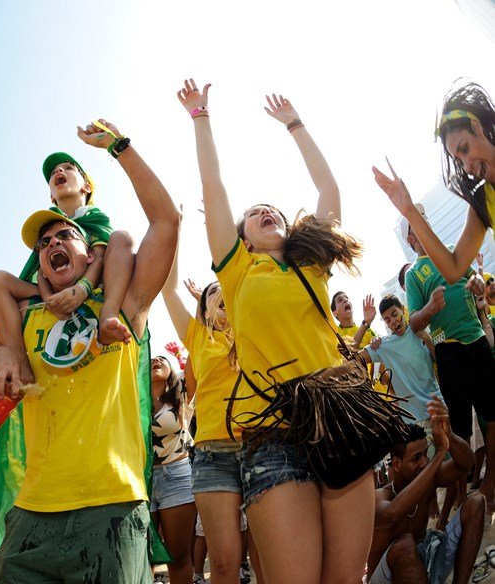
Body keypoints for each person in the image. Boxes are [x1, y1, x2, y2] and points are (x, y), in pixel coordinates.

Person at [181, 78, 401, 583]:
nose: (266, 212)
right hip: (274, 436)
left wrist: (296, 125)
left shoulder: (313, 266)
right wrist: (200, 117)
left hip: (344, 416)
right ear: (240, 238)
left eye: (273, 209)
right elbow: (213, 187)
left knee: (346, 578)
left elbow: (329, 191)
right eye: (255, 213)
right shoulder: (235, 274)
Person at [0, 119, 180, 583]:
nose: (52, 245)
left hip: (112, 508)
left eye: (64, 236)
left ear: (93, 255)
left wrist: (119, 147)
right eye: (44, 243)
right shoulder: (27, 316)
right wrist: (6, 352)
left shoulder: (125, 306)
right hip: (30, 516)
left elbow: (166, 222)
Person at [0, 150, 135, 385]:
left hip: (91, 285)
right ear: (52, 197)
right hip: (52, 291)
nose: (59, 172)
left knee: (121, 238)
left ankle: (109, 312)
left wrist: (82, 288)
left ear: (86, 186)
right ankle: (19, 358)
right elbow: (40, 270)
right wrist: (48, 298)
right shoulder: (46, 222)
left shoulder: (95, 218)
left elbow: (100, 255)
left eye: (68, 168)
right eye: (54, 173)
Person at [161, 244, 261, 584]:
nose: (220, 297)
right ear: (203, 310)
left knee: (266, 559)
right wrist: (173, 236)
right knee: (223, 564)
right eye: (211, 296)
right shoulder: (197, 337)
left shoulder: (252, 331)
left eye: (225, 292)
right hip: (213, 456)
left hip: (263, 451)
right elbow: (168, 288)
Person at [393, 206, 495, 508]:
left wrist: (476, 280)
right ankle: (464, 496)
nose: (422, 222)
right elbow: (414, 322)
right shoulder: (414, 275)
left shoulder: (451, 250)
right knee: (460, 427)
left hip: (477, 341)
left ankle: (491, 482)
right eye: (415, 222)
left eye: (423, 216)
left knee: (492, 414)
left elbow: (473, 276)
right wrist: (430, 310)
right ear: (410, 238)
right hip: (448, 352)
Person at [373, 81, 495, 286]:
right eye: (458, 161)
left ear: (477, 127)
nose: (466, 166)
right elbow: (454, 268)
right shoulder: (483, 199)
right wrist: (409, 210)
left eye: (464, 148)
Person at [368, 398, 484, 584]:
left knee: (476, 502)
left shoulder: (429, 478)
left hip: (423, 561)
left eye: (425, 454)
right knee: (405, 545)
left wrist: (449, 435)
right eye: (416, 458)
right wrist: (439, 453)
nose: (424, 462)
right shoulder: (381, 496)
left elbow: (467, 463)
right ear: (396, 464)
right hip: (387, 578)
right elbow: (393, 513)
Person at [148, 355, 196, 583]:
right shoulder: (133, 400)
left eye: (162, 359)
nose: (156, 360)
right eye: (151, 359)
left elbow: (195, 363)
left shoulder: (182, 397)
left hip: (176, 477)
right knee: (142, 556)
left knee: (178, 557)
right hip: (141, 480)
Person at [357, 295, 440, 424]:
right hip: (414, 421)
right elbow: (352, 358)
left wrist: (426, 337)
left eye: (395, 314)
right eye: (387, 320)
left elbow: (439, 361)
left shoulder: (421, 329)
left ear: (403, 309)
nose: (393, 321)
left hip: (438, 408)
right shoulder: (382, 346)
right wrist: (366, 323)